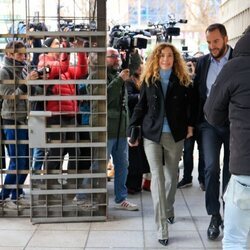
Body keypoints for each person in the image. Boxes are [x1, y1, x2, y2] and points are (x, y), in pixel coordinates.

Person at [128, 42, 197, 246]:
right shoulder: (149, 80)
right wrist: (132, 130)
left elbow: (192, 106)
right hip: (152, 135)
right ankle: (162, 228)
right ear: (156, 59)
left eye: (169, 56)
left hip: (175, 134)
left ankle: (168, 208)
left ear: (174, 59)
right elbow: (141, 107)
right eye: (162, 56)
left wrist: (191, 125)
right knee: (157, 178)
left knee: (171, 177)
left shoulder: (184, 81)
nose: (165, 59)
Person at [204, 26, 250, 250]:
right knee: (212, 169)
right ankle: (215, 215)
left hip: (244, 164)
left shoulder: (234, 67)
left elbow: (212, 112)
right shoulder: (210, 63)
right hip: (225, 139)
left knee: (234, 240)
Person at [193, 23, 233, 240]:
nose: (212, 46)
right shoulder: (203, 62)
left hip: (232, 124)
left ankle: (229, 213)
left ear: (225, 39)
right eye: (209, 42)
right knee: (210, 168)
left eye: (216, 41)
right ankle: (214, 215)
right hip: (208, 124)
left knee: (230, 170)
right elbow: (198, 94)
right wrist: (193, 123)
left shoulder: (238, 60)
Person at [37, 37, 88, 173]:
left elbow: (81, 72)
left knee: (75, 151)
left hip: (71, 114)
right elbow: (62, 67)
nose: (60, 46)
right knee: (56, 151)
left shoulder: (61, 64)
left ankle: (71, 183)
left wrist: (80, 50)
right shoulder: (44, 63)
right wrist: (66, 46)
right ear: (47, 48)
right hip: (55, 115)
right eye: (57, 44)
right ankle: (48, 182)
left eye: (61, 43)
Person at [0, 40, 39, 208]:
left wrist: (35, 82)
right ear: (9, 54)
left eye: (24, 53)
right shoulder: (4, 72)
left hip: (24, 118)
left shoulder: (22, 69)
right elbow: (9, 97)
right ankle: (3, 197)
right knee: (17, 161)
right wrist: (26, 83)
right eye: (20, 54)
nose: (24, 56)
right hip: (11, 119)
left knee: (25, 160)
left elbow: (28, 92)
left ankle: (17, 194)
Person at [106, 47, 138, 211]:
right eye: (113, 56)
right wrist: (119, 80)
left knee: (122, 165)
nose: (117, 59)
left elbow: (133, 69)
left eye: (118, 56)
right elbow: (104, 97)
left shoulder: (119, 74)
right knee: (99, 165)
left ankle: (121, 198)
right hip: (106, 129)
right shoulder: (98, 75)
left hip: (120, 129)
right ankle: (83, 195)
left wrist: (134, 54)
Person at [178, 51, 205, 191]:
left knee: (203, 152)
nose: (191, 68)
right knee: (187, 152)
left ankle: (202, 179)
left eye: (193, 65)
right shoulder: (183, 82)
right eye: (188, 66)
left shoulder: (202, 80)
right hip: (188, 122)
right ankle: (187, 178)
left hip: (201, 121)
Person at [126, 51, 150, 194]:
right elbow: (129, 99)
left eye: (141, 63)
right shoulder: (129, 81)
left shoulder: (144, 80)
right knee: (134, 156)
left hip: (143, 123)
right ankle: (132, 185)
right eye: (138, 64)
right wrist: (143, 96)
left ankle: (138, 184)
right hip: (134, 123)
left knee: (140, 156)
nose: (141, 66)